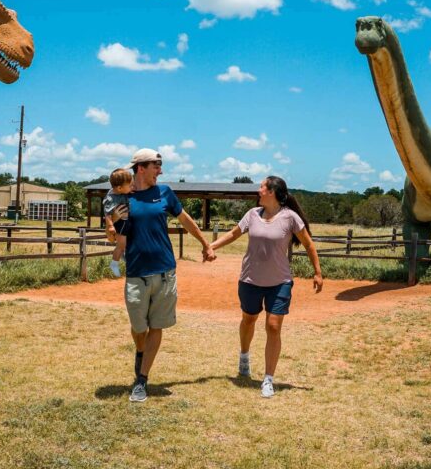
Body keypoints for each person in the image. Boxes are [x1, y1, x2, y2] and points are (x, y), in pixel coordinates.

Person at [114, 148, 216, 403]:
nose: (160, 170)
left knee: (156, 325)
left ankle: (142, 380)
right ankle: (141, 350)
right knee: (139, 328)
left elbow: (185, 219)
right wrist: (112, 223)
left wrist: (206, 244)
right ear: (141, 168)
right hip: (137, 273)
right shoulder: (123, 198)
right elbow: (115, 236)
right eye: (156, 166)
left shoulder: (165, 193)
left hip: (165, 271)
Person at [209, 175, 322, 398]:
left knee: (273, 326)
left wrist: (317, 272)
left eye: (261, 187)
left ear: (271, 192)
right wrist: (210, 246)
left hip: (280, 282)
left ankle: (268, 379)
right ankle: (244, 356)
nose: (258, 190)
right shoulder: (252, 214)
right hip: (250, 279)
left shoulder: (290, 218)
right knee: (248, 319)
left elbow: (308, 244)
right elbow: (233, 234)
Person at [102, 167, 133, 277]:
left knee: (124, 245)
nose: (131, 187)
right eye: (129, 186)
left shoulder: (121, 192)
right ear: (119, 188)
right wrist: (110, 225)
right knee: (121, 245)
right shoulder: (111, 198)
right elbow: (107, 214)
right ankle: (114, 264)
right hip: (119, 224)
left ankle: (123, 257)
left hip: (125, 222)